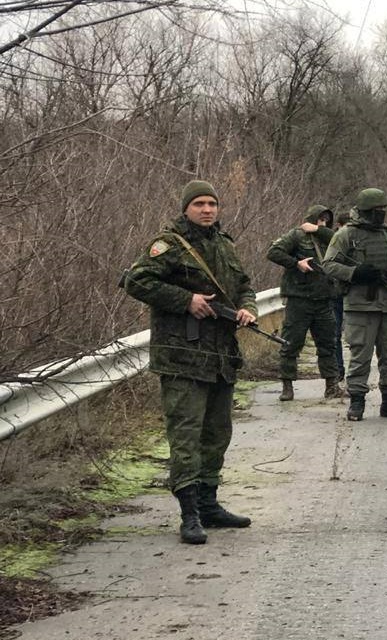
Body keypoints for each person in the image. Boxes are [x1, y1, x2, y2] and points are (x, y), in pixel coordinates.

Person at [122, 180, 255, 544]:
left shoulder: (224, 244)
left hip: (221, 356)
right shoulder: (167, 245)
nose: (207, 210)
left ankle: (210, 504)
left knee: (217, 435)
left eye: (212, 203)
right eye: (199, 204)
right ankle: (189, 513)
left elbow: (244, 284)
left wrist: (247, 308)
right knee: (186, 437)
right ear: (186, 208)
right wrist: (185, 300)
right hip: (182, 357)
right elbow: (136, 281)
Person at [322, 188, 387, 422]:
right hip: (359, 307)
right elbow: (328, 265)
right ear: (366, 211)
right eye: (377, 211)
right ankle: (357, 402)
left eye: (383, 210)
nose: (381, 214)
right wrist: (356, 273)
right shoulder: (346, 235)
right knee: (360, 357)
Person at [267, 204, 344, 401]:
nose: (323, 222)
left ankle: (332, 385)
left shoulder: (330, 239)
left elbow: (343, 244)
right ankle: (287, 385)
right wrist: (296, 264)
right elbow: (274, 252)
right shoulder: (297, 236)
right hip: (299, 299)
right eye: (320, 218)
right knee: (291, 343)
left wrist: (320, 230)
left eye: (326, 219)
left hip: (324, 300)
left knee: (328, 343)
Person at [331, 209, 352, 380]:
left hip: (353, 293)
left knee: (355, 334)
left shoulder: (356, 240)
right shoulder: (333, 239)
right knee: (335, 333)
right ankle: (339, 370)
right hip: (335, 293)